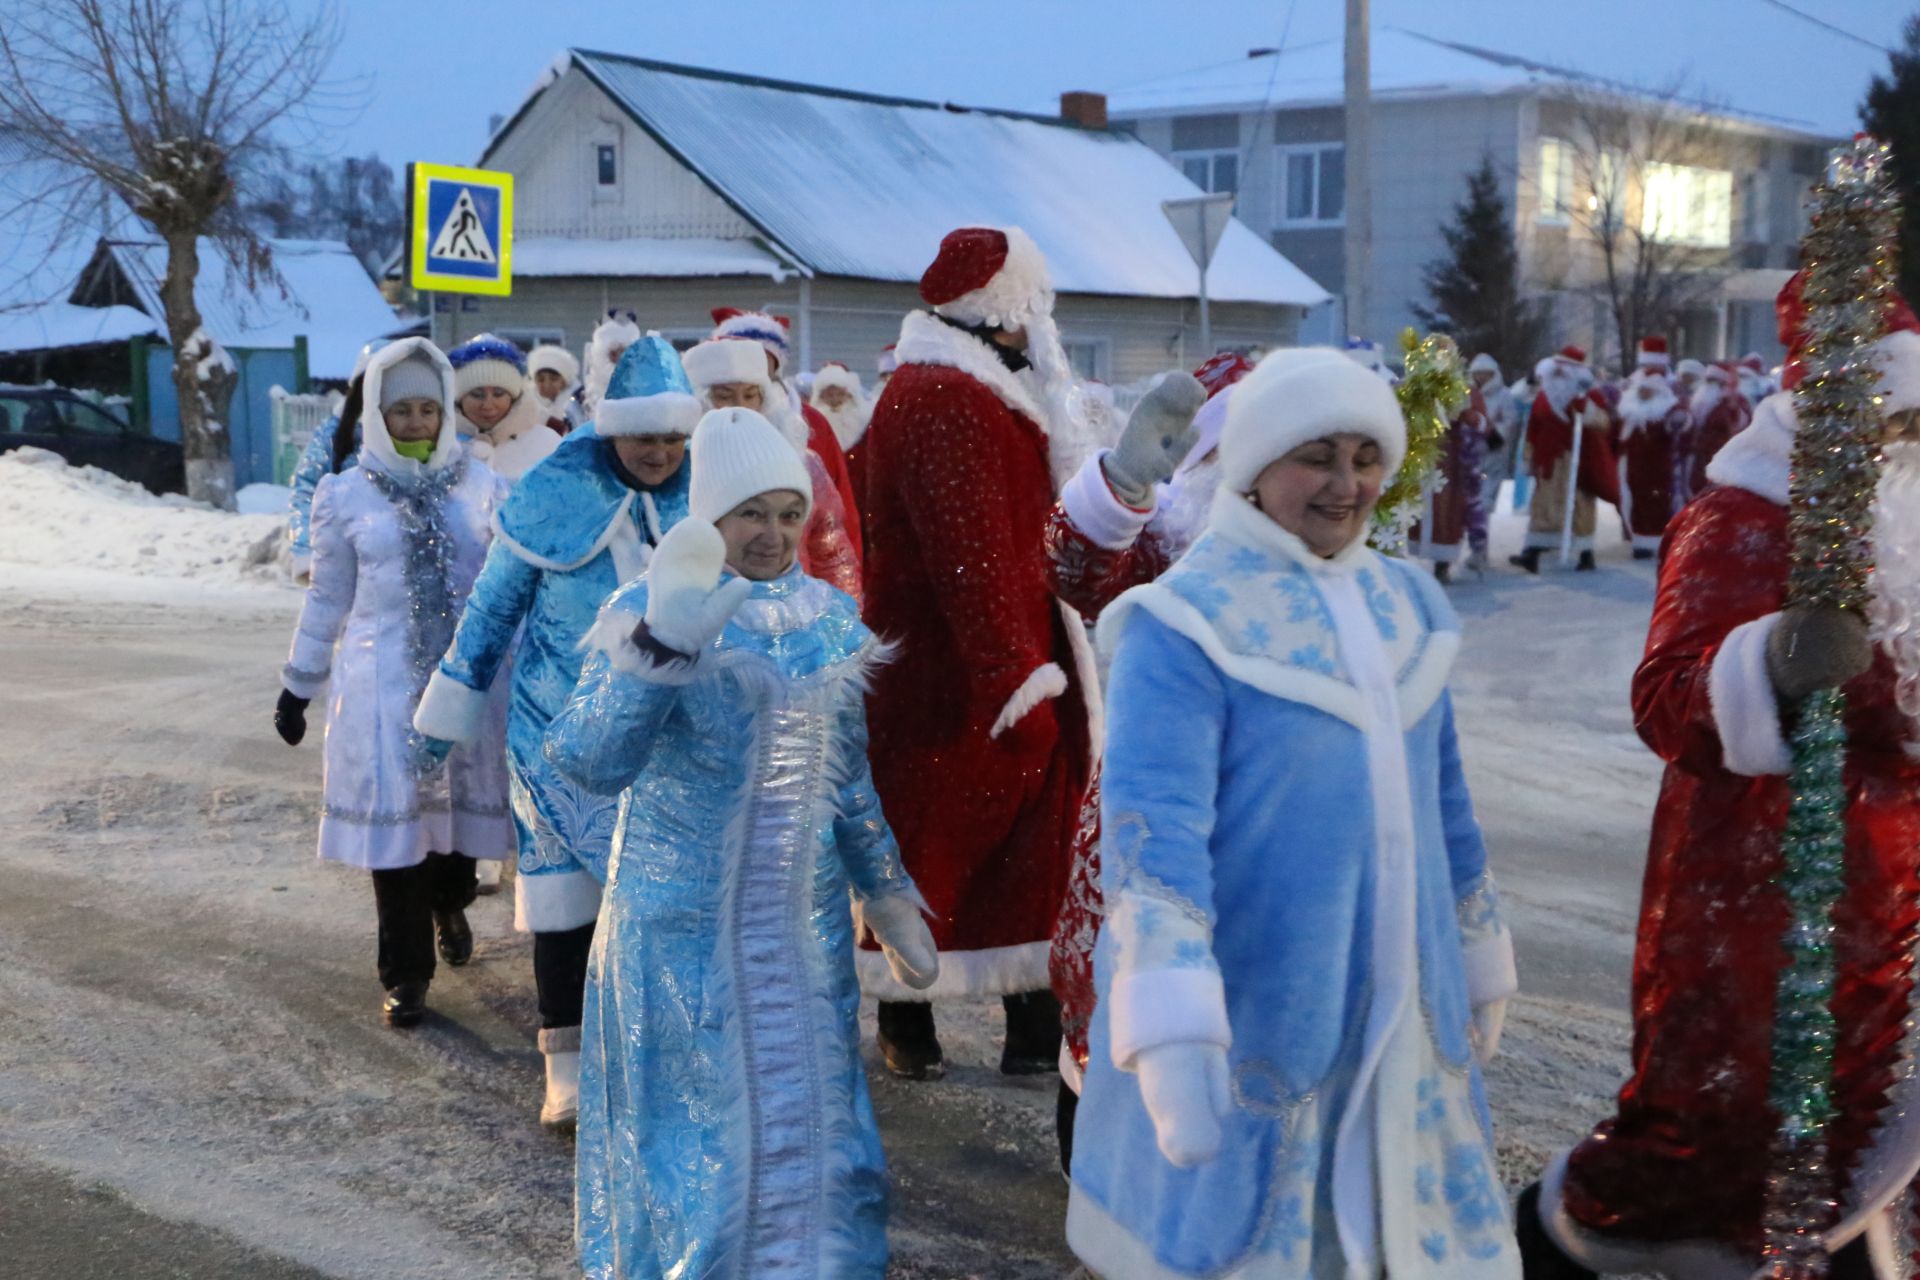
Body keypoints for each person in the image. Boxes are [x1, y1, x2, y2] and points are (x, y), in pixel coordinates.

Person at [1065, 347, 1519, 1279]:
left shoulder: (1409, 605)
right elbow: (1154, 843)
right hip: (1263, 1013)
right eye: (1317, 455)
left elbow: (1447, 802)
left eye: (1365, 455)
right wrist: (1173, 1026)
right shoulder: (1183, 622)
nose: (1346, 484)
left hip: (1406, 1001)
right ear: (1256, 465)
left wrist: (1476, 944)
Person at [1521, 327, 1920, 1280]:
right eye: (1886, 422)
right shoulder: (1744, 515)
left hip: (1897, 899)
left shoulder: (1909, 520)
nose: (1900, 443)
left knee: (1867, 1143)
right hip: (1760, 895)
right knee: (1714, 1138)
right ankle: (1559, 1242)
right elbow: (1666, 696)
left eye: (1913, 422)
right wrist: (1774, 662)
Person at [543, 406, 938, 1280]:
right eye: (751, 513)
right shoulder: (645, 605)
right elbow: (584, 760)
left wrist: (886, 888)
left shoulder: (829, 618)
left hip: (803, 939)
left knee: (813, 1136)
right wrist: (662, 649)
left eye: (789, 512)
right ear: (710, 517)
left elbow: (849, 777)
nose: (773, 534)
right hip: (678, 935)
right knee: (700, 1154)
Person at [413, 336, 700, 1130]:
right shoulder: (553, 490)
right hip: (558, 737)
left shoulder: (706, 496)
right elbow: (493, 611)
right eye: (645, 437)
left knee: (659, 909)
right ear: (612, 431)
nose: (660, 454)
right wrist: (450, 707)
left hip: (670, 744)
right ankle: (566, 1067)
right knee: (565, 907)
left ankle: (658, 1055)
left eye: (674, 439)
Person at [861, 225, 1098, 1080]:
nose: (1040, 324)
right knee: (937, 841)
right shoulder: (946, 400)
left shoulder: (967, 388)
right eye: (1031, 307)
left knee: (1030, 844)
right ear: (1001, 314)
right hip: (958, 673)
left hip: (998, 655)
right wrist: (1013, 676)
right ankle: (905, 1014)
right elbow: (974, 552)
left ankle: (1029, 1017)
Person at [274, 339, 512, 1028]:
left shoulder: (485, 487)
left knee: (459, 845)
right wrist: (298, 684)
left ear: (446, 411)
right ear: (377, 414)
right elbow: (327, 599)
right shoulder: (344, 495)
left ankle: (451, 902)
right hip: (381, 690)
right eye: (401, 410)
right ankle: (406, 973)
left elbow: (508, 589)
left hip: (468, 688)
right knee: (398, 840)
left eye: (428, 409)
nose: (416, 423)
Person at [1045, 355, 1240, 1172]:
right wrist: (1122, 484)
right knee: (1121, 989)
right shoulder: (1173, 540)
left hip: (1269, 829)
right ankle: (1096, 1171)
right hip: (1152, 813)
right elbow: (1079, 573)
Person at [682, 335, 863, 599]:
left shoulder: (804, 463)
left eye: (750, 395)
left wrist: (843, 618)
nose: (740, 406)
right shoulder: (678, 467)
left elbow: (831, 552)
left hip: (794, 610)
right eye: (724, 396)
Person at [704, 306, 863, 558]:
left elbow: (836, 529)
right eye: (726, 392)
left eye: (753, 386)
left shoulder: (810, 426)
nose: (740, 403)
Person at [1513, 346, 1618, 573]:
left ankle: (1585, 552)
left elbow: (1604, 422)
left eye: (1565, 369)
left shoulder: (1591, 395)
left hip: (1578, 459)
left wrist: (1586, 410)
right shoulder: (1544, 395)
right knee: (1544, 504)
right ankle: (1533, 551)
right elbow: (1534, 426)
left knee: (1579, 505)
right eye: (1556, 368)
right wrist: (1528, 456)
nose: (1559, 373)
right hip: (1548, 459)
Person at [286, 344, 378, 582]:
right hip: (344, 571)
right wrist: (308, 553)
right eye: (376, 384)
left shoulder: (425, 437)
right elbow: (306, 490)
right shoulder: (335, 436)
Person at [448, 335, 560, 485]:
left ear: (513, 398)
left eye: (498, 394)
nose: (488, 405)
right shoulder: (444, 447)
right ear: (459, 399)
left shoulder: (546, 445)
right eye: (477, 395)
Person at [1616, 346, 1688, 560]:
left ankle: (1658, 539)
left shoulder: (1668, 409)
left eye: (1647, 390)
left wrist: (1680, 422)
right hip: (1634, 464)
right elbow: (1619, 434)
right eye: (1641, 390)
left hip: (1658, 465)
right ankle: (1640, 540)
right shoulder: (1630, 409)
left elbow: (1680, 427)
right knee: (1636, 500)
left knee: (1658, 502)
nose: (1643, 393)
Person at [1680, 362, 1752, 506]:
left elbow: (1739, 427)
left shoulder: (1735, 404)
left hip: (1720, 461)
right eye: (1708, 381)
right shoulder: (1697, 403)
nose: (1709, 386)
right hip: (1697, 460)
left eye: (1714, 381)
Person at [578, 310, 642, 426]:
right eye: (613, 354)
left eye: (625, 354)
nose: (620, 360)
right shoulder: (581, 398)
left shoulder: (644, 391)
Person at [528, 343, 581, 437]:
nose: (547, 384)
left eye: (553, 379)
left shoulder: (574, 406)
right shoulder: (527, 405)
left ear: (564, 381)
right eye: (541, 380)